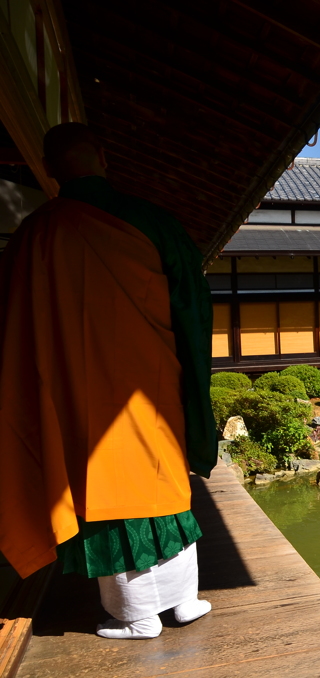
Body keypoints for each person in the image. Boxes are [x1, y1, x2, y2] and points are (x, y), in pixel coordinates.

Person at [0, 123, 219, 639]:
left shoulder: (34, 235)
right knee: (165, 487)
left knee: (106, 493)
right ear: (103, 156)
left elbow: (12, 326)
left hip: (78, 394)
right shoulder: (153, 222)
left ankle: (138, 616)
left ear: (51, 171)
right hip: (153, 387)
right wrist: (195, 385)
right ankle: (184, 599)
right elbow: (193, 309)